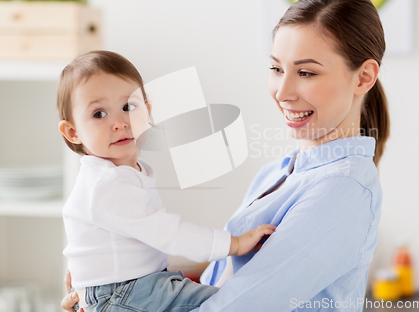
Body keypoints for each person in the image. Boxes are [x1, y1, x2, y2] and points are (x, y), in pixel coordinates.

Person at [62, 0, 390, 311]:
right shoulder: (277, 172)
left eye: (306, 72)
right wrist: (108, 286)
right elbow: (218, 288)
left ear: (363, 77)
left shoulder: (343, 190)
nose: (283, 92)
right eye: (276, 69)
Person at [56, 50, 276, 312]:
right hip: (121, 293)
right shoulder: (107, 185)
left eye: (129, 106)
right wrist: (234, 244)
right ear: (73, 132)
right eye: (99, 114)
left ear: (147, 112)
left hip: (137, 285)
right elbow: (169, 234)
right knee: (230, 304)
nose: (120, 122)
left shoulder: (123, 173)